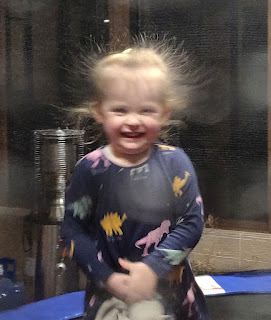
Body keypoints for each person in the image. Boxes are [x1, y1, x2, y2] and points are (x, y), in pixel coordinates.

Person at [61, 41, 211, 320]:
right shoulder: (91, 168)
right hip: (110, 293)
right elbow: (72, 232)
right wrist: (107, 278)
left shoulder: (175, 162)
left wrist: (152, 267)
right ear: (99, 111)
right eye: (120, 110)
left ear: (164, 113)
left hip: (171, 291)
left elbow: (192, 222)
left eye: (146, 110)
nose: (133, 121)